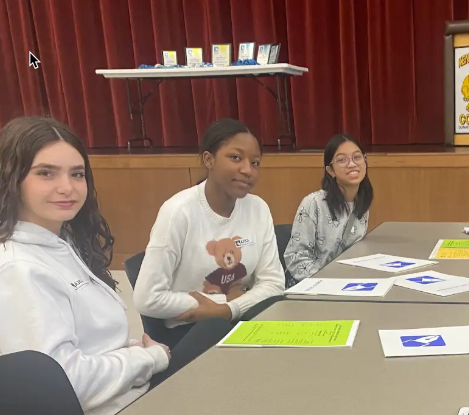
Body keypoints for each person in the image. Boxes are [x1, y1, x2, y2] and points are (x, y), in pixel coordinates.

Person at [0, 117, 170, 415]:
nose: (67, 187)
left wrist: (133, 352)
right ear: (12, 178)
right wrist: (149, 359)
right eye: (46, 173)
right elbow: (64, 384)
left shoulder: (60, 242)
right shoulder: (16, 269)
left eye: (77, 174)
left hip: (126, 398)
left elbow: (91, 344)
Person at [133, 118, 286, 353]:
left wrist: (228, 310)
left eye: (255, 163)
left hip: (241, 319)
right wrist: (223, 302)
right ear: (209, 159)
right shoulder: (178, 212)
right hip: (189, 332)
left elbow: (274, 284)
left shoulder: (258, 208)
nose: (248, 170)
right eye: (236, 158)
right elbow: (147, 298)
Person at [284, 134, 373, 283]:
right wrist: (328, 282)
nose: (352, 164)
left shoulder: (361, 203)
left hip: (346, 283)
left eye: (357, 157)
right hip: (315, 285)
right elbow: (295, 257)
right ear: (331, 170)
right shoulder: (314, 203)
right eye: (342, 160)